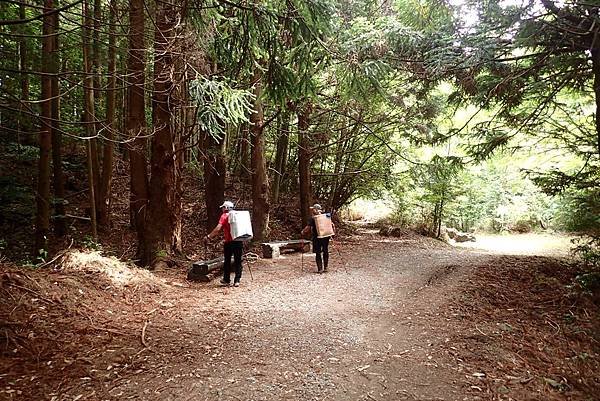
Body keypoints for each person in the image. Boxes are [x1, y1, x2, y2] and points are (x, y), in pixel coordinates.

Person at [205, 201, 243, 287]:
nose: (222, 209)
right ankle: (237, 280)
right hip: (238, 241)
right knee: (238, 261)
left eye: (223, 207)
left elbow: (218, 228)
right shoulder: (237, 215)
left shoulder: (224, 216)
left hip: (229, 242)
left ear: (226, 208)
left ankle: (226, 279)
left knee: (227, 261)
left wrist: (209, 236)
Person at [301, 204, 334, 273]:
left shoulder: (313, 218)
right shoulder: (326, 216)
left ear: (315, 210)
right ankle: (326, 267)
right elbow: (332, 225)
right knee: (325, 250)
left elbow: (308, 228)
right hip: (326, 236)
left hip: (317, 237)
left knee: (318, 252)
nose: (312, 210)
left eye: (313, 209)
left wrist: (303, 232)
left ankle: (320, 269)